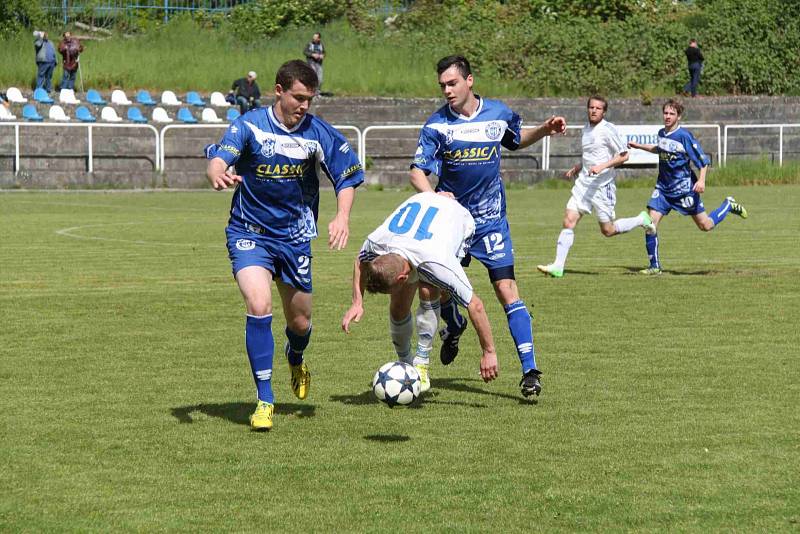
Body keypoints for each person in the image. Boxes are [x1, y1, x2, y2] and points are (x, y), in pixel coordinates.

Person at [205, 59, 364, 431]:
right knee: (258, 304)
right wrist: (218, 173)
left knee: (301, 321)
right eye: (298, 97)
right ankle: (264, 399)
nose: (304, 106)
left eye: (310, 99)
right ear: (278, 91)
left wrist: (342, 217)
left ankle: (296, 356)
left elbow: (347, 176)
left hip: (294, 238)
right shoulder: (249, 126)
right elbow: (219, 157)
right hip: (249, 231)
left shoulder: (317, 132)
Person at [410, 55, 567, 398]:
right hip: (452, 224)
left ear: (469, 81)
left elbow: (514, 139)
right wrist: (435, 197)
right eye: (442, 86)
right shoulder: (437, 125)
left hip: (491, 221)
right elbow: (417, 172)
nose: (447, 91)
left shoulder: (498, 113)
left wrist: (543, 129)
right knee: (435, 290)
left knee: (506, 290)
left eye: (452, 84)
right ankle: (453, 327)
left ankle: (530, 371)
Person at [341, 192, 499, 391]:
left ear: (402, 278)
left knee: (429, 287)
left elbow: (475, 305)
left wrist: (489, 352)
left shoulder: (437, 263)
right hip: (423, 203)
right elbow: (360, 261)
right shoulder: (377, 242)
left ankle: (422, 363)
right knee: (398, 306)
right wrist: (357, 302)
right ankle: (407, 366)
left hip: (458, 220)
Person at [537, 95, 655, 278]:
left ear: (604, 112)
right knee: (569, 220)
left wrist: (602, 167)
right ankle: (558, 266)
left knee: (608, 230)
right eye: (591, 107)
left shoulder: (608, 129)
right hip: (584, 183)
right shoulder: (586, 129)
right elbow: (591, 155)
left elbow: (624, 155)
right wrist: (578, 167)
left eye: (598, 108)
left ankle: (641, 219)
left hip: (602, 186)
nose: (594, 110)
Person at [627, 99, 748, 275]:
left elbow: (703, 161)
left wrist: (701, 181)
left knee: (705, 225)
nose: (667, 116)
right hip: (662, 190)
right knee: (649, 225)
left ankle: (728, 205)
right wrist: (638, 146)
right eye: (665, 113)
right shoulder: (662, 133)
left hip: (684, 191)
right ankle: (655, 266)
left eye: (671, 114)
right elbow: (659, 149)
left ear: (679, 116)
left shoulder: (684, 136)